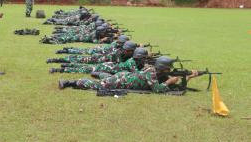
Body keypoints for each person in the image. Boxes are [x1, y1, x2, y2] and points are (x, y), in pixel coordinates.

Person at [58, 56, 200, 93]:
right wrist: (169, 82)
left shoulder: (153, 70)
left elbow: (165, 80)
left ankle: (100, 73)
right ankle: (69, 82)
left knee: (106, 78)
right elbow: (157, 89)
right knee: (97, 85)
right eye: (168, 69)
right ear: (163, 69)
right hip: (121, 81)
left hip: (123, 76)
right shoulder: (151, 73)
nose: (170, 71)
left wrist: (187, 77)